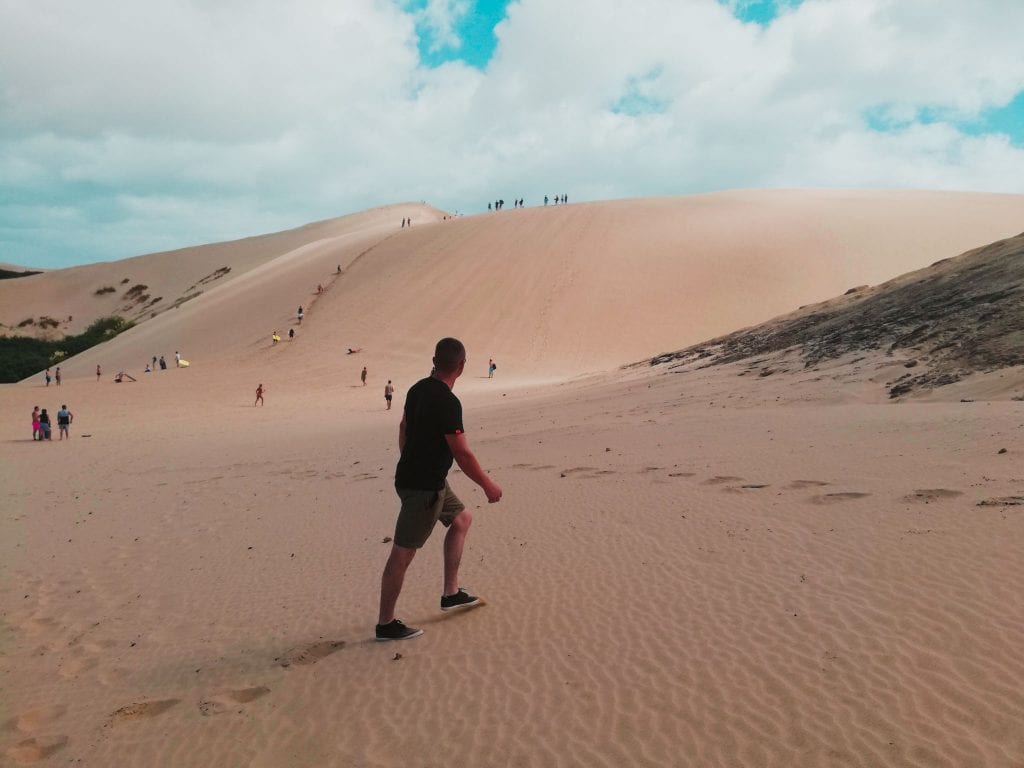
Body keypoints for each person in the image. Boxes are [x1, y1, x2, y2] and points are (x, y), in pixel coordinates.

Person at [375, 338, 503, 641]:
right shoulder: (447, 401)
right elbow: (462, 453)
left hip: (421, 479)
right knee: (403, 553)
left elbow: (404, 428)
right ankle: (385, 624)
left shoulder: (418, 389)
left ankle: (451, 593)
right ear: (461, 366)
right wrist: (488, 485)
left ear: (434, 360)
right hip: (423, 488)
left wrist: (410, 459)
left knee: (462, 519)